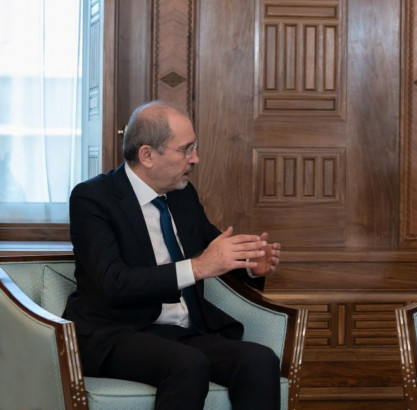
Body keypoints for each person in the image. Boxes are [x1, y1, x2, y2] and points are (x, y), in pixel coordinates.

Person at [64, 100, 282, 409]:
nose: (196, 158)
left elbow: (214, 250)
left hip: (179, 333)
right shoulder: (92, 198)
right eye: (185, 149)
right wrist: (197, 267)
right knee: (187, 363)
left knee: (260, 360)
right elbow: (113, 282)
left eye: (194, 147)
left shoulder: (183, 194)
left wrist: (249, 265)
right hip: (115, 332)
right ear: (147, 155)